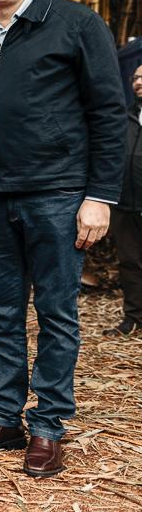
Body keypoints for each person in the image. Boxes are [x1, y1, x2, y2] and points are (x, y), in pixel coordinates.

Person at [0, 0, 126, 477]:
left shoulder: (74, 24)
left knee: (55, 312)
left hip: (57, 194)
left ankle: (48, 425)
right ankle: (3, 416)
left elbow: (108, 112)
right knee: (1, 313)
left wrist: (99, 196)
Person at [103, 64, 142, 336]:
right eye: (136, 77)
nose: (139, 82)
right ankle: (134, 318)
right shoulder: (124, 116)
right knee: (130, 262)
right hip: (126, 203)